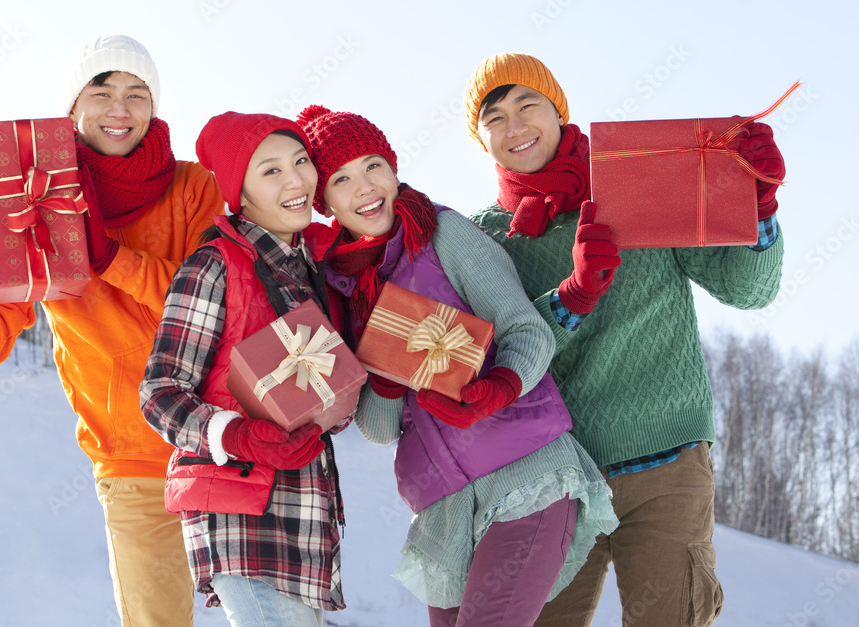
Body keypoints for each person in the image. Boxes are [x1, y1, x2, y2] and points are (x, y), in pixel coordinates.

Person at [463, 52, 786, 627]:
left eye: (527, 105)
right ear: (480, 138)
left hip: (666, 464)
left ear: (558, 112)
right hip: (556, 482)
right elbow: (497, 365)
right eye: (493, 118)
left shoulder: (638, 183)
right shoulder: (486, 239)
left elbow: (747, 289)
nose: (514, 126)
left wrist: (757, 206)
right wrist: (572, 298)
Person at [0, 33, 225, 626]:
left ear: (154, 109)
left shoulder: (192, 187)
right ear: (71, 109)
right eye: (101, 89)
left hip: (219, 442)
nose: (120, 108)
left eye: (138, 93)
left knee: (264, 615)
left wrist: (110, 259)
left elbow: (215, 308)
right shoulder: (31, 199)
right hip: (132, 464)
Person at [297, 104, 617, 627]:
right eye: (341, 178)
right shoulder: (346, 291)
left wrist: (500, 386)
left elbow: (525, 329)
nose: (364, 187)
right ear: (324, 201)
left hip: (526, 477)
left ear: (393, 167)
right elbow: (377, 429)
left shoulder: (444, 234)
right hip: (446, 508)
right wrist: (385, 369)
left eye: (373, 165)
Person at [139, 111, 350, 627]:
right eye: (271, 171)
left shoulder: (313, 272)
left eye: (300, 162)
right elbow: (160, 392)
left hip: (307, 510)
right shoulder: (213, 265)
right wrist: (239, 435)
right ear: (242, 193)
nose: (296, 179)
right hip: (239, 503)